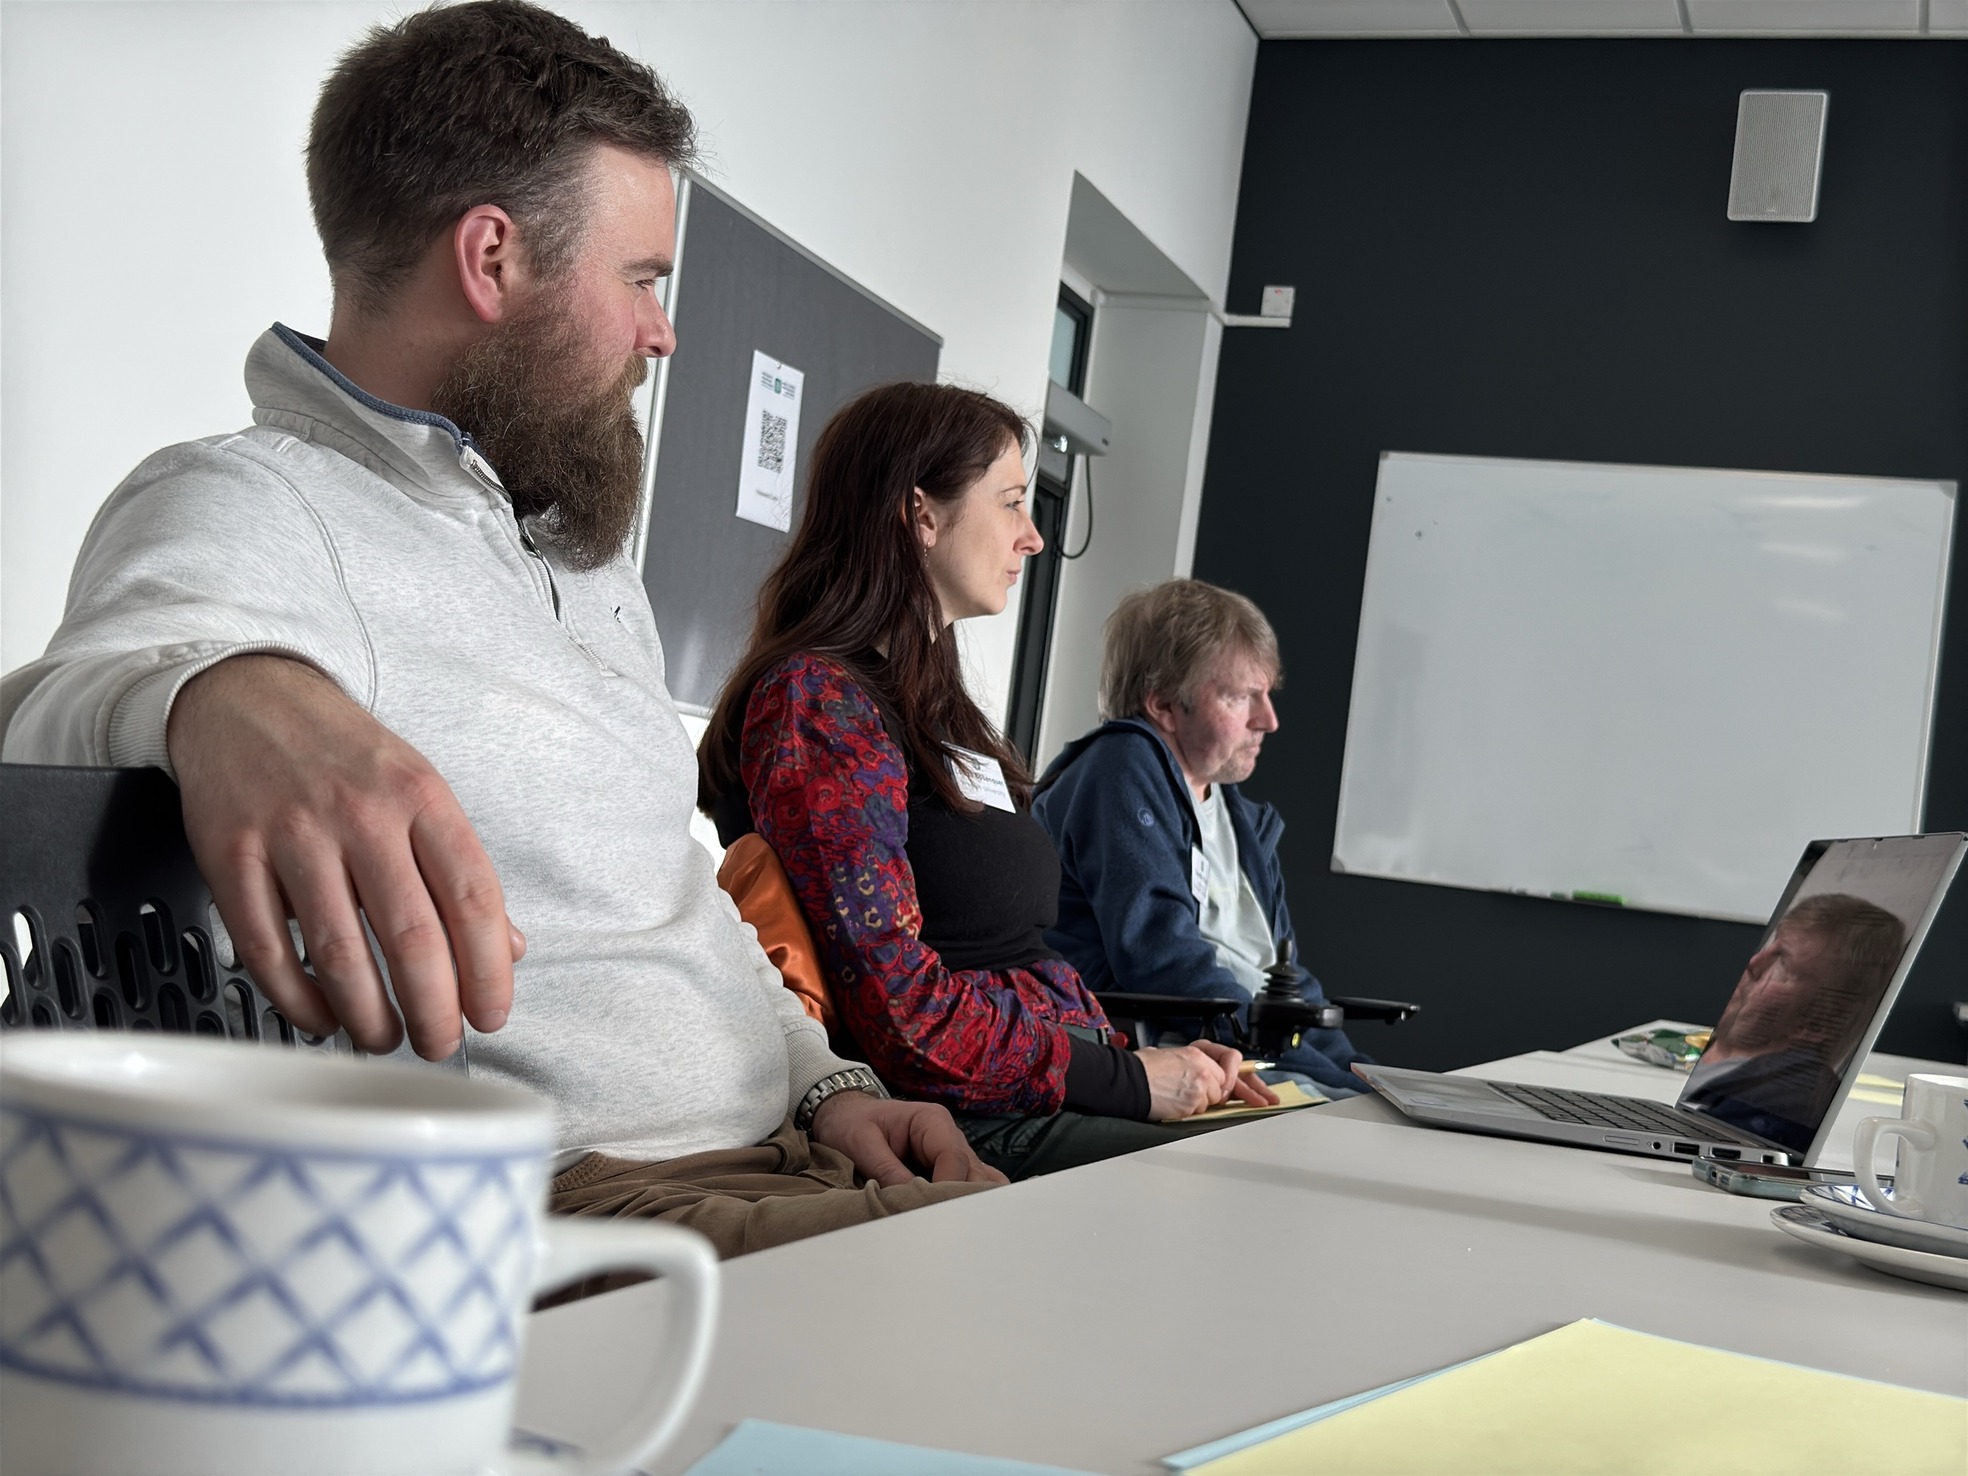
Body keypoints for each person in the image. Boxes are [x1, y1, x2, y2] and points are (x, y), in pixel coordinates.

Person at [0, 0, 1004, 1259]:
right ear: (492, 259)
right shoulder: (254, 502)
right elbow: (64, 703)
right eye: (642, 278)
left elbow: (674, 892)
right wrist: (230, 692)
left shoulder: (584, 556)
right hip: (568, 1201)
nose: (663, 328)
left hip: (787, 1148)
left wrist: (828, 1083)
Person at [698, 383, 1276, 1181]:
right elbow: (899, 1009)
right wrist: (1130, 1080)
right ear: (921, 515)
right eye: (1010, 503)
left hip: (1047, 1087)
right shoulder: (819, 704)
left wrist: (1156, 1063)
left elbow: (1005, 958)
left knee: (1296, 1150)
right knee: (1262, 1184)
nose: (1033, 538)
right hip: (965, 1119)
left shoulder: (929, 709)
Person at [1031, 579, 1369, 1096]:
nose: (1269, 721)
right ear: (1164, 703)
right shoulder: (1121, 765)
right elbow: (1163, 963)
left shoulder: (1241, 819)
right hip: (1181, 1058)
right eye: (1240, 697)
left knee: (1376, 1111)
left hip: (1253, 1053)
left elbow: (1282, 977)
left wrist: (1360, 1074)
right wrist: (1323, 1078)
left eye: (1267, 695)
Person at [1682, 892, 1906, 1145]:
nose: (1753, 963)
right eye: (1771, 946)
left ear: (1817, 1023)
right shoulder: (1728, 1062)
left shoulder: (1777, 1103)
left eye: (1783, 964)